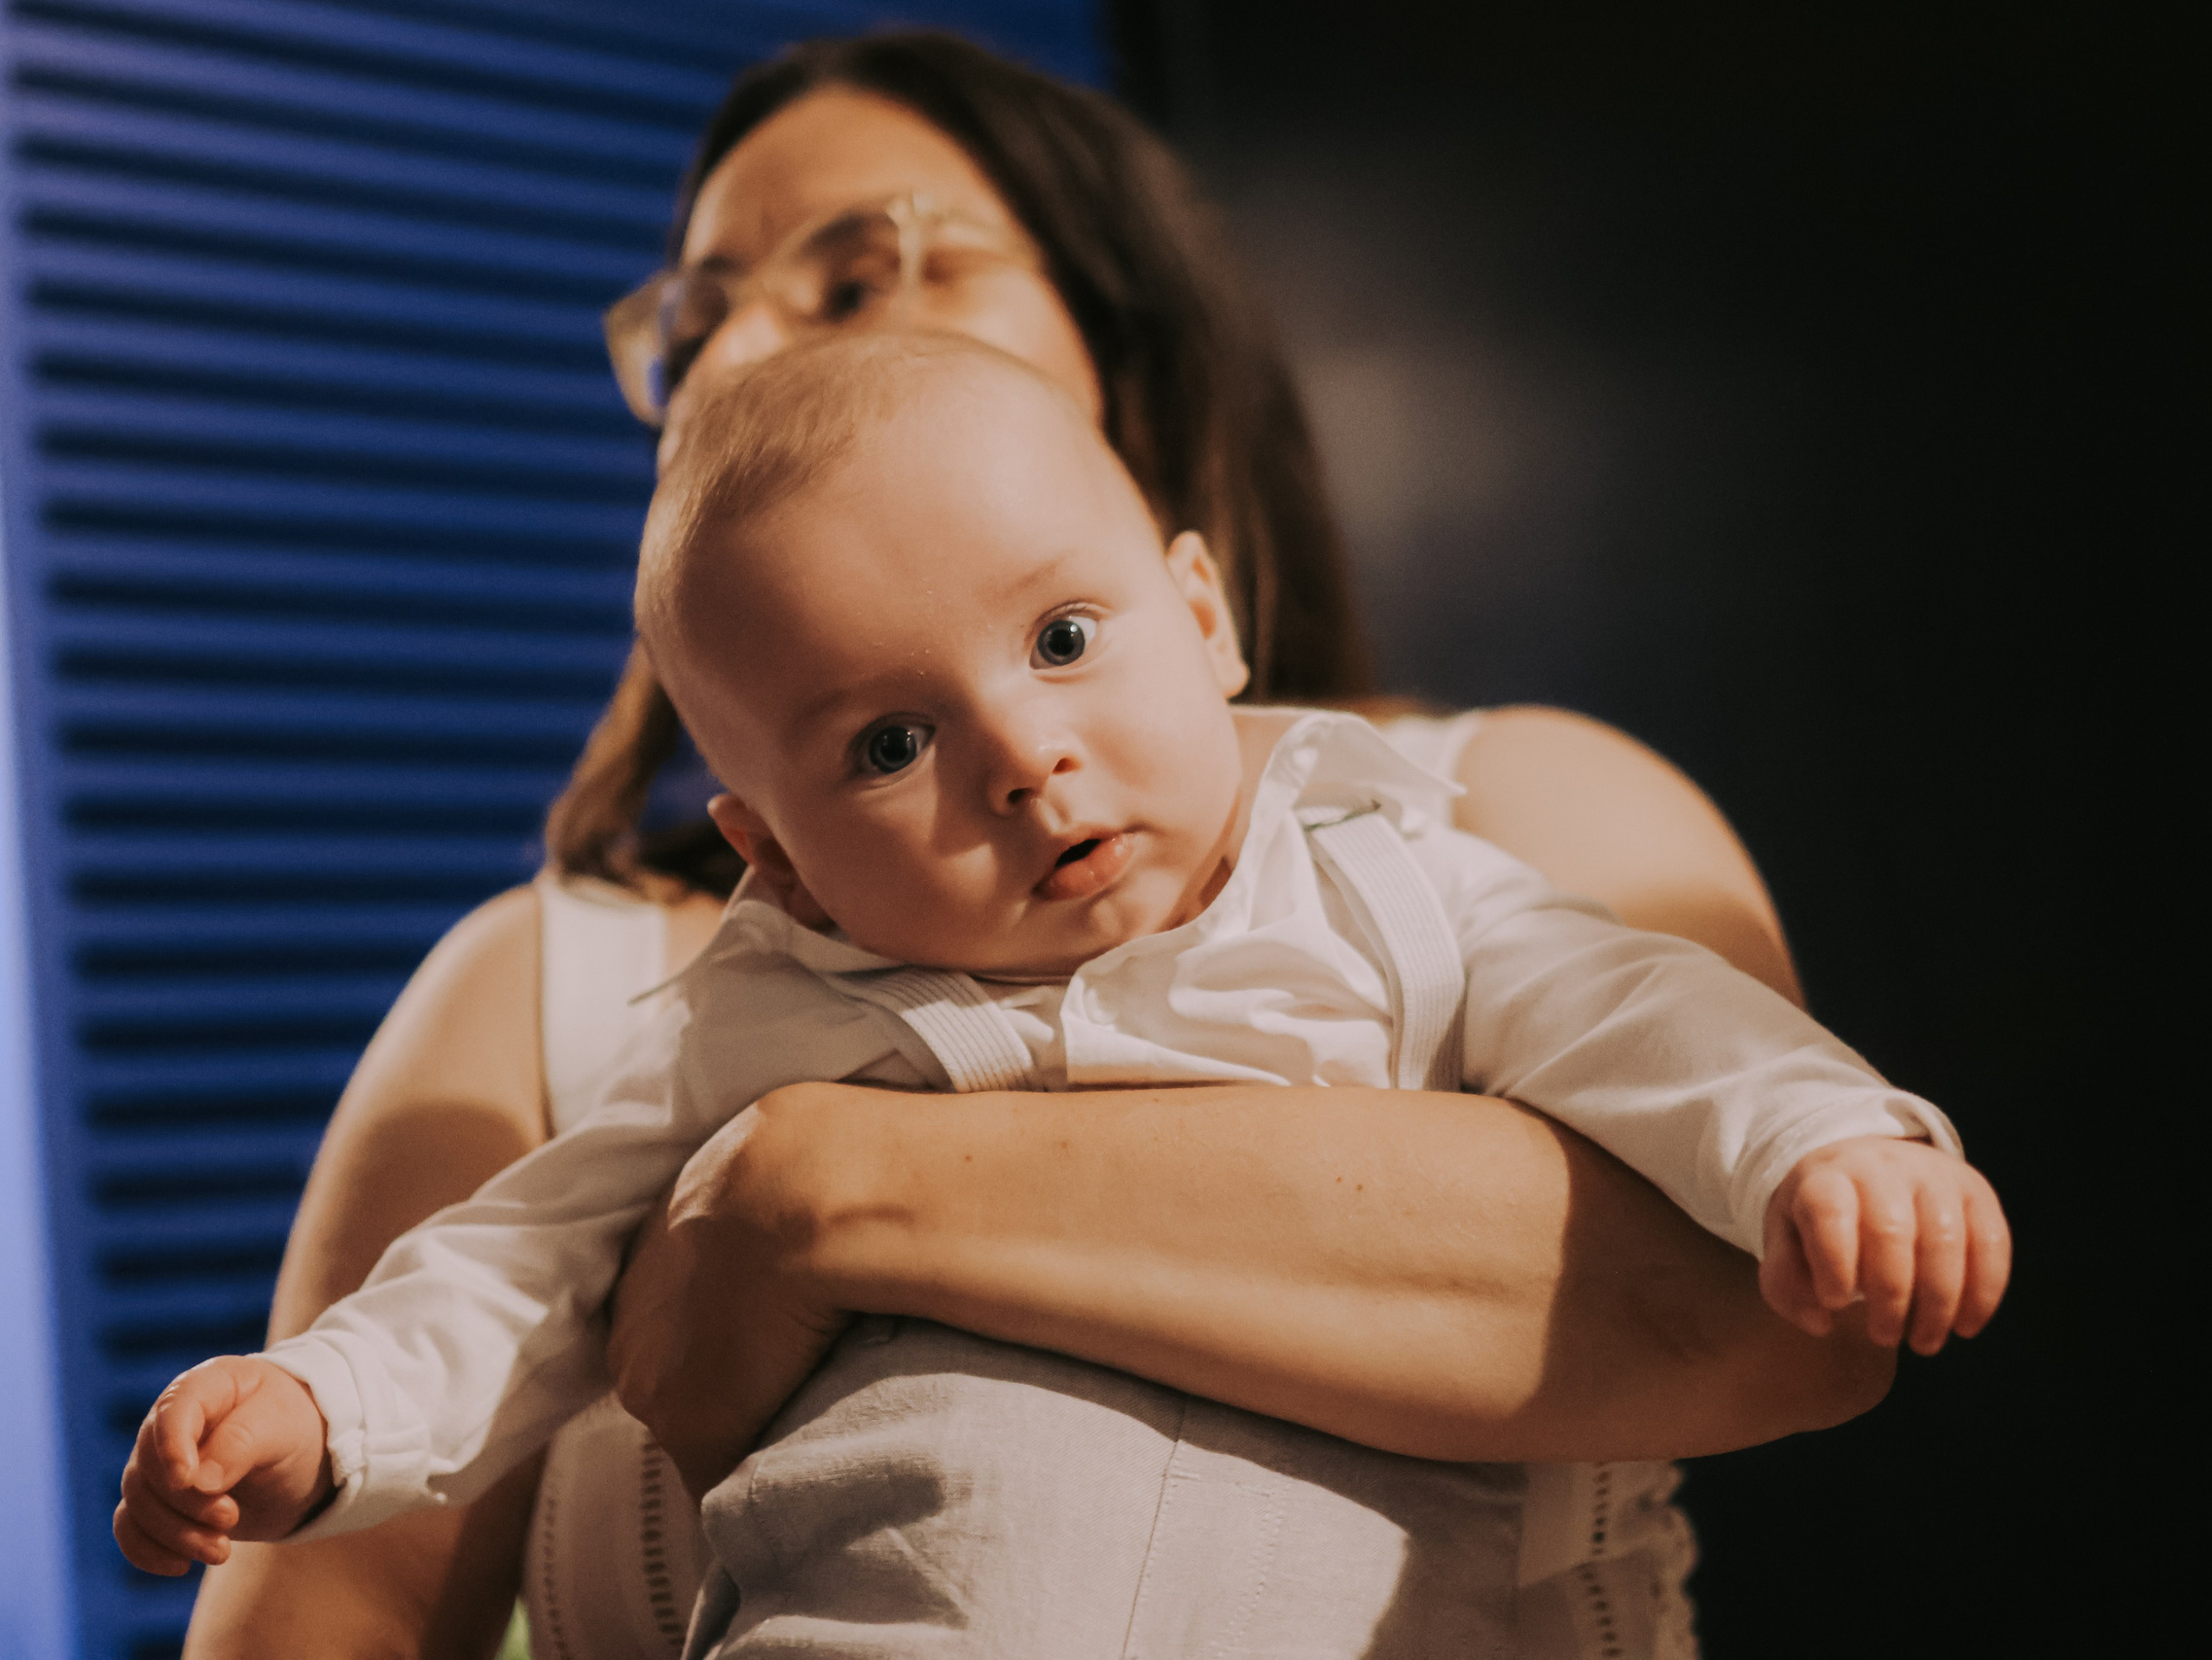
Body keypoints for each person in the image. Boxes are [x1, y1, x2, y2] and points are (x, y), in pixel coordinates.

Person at [171, 32, 1963, 1660]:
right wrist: (323, 1411)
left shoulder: (1435, 835)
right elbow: (482, 1313)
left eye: (877, 268)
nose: (761, 346)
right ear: (775, 854)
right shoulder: (653, 997)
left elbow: (1742, 1244)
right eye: (704, 309)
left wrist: (813, 1196)